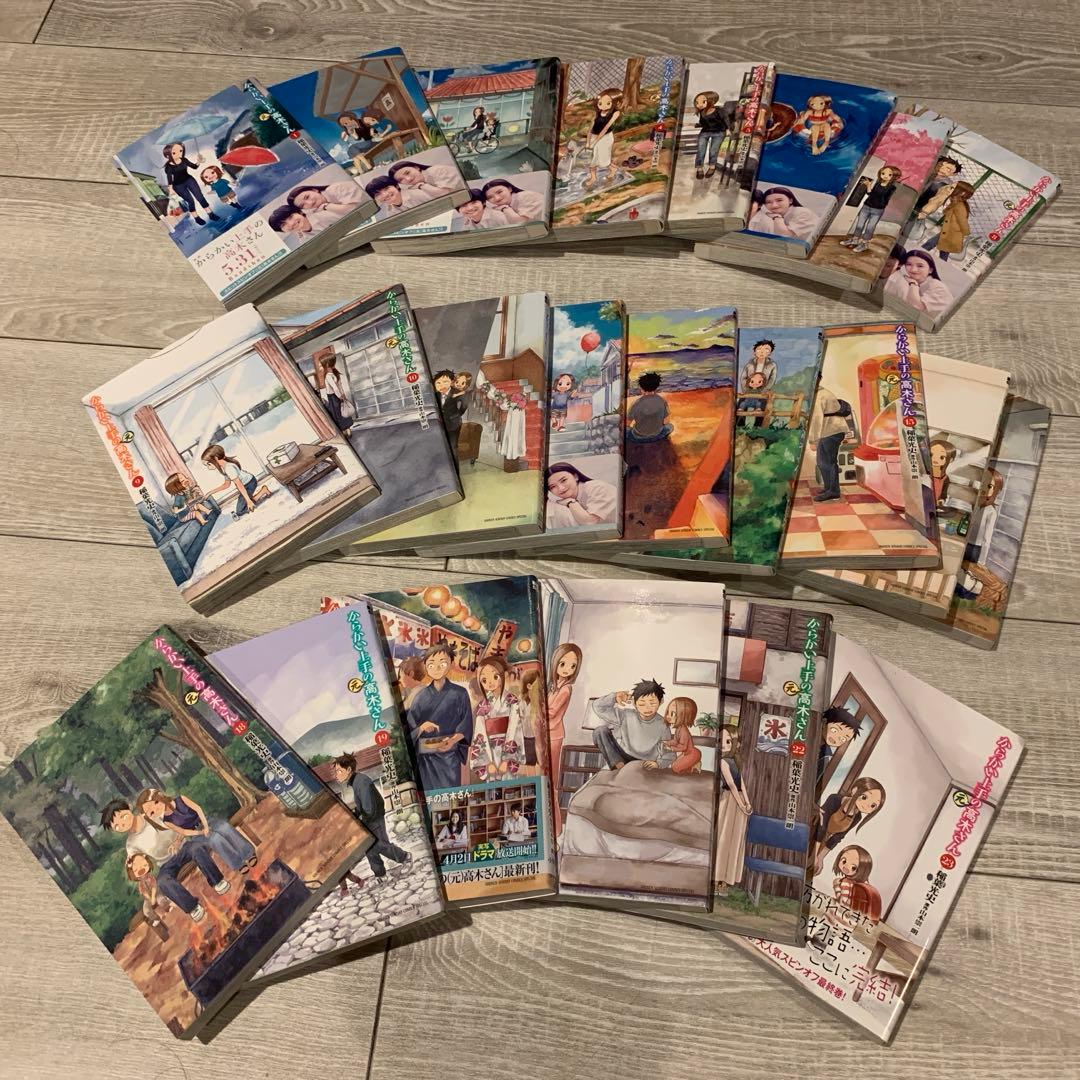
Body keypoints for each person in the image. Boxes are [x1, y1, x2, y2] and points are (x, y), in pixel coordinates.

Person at [102, 798, 229, 924]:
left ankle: (217, 881)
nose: (122, 824)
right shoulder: (131, 844)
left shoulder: (150, 812)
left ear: (129, 808)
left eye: (123, 816)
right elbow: (134, 864)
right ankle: (193, 907)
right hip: (165, 863)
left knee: (196, 849)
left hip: (183, 847)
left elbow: (180, 823)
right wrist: (135, 869)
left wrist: (178, 840)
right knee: (162, 881)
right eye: (117, 826)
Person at [136, 787, 256, 873]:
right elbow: (184, 832)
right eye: (151, 812)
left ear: (160, 796)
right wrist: (200, 832)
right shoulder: (167, 821)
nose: (156, 809)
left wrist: (206, 826)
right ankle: (237, 863)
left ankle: (247, 853)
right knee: (215, 839)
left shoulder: (181, 799)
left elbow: (198, 809)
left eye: (156, 803)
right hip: (195, 834)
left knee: (224, 827)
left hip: (207, 821)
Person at [330, 755, 412, 879]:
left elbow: (369, 808)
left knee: (380, 845)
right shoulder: (356, 782)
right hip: (369, 819)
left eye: (339, 771)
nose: (336, 775)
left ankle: (405, 857)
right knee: (369, 848)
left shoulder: (361, 781)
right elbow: (361, 806)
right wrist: (355, 815)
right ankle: (380, 874)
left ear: (349, 770)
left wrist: (361, 820)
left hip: (374, 819)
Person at [407, 643, 474, 790]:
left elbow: (466, 723)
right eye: (431, 664)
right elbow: (410, 729)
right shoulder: (420, 697)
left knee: (450, 793)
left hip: (449, 756)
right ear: (425, 667)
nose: (437, 668)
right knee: (429, 795)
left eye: (442, 663)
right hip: (426, 760)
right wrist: (422, 727)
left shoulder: (460, 693)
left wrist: (452, 741)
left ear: (451, 663)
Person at [813, 776, 886, 875]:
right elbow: (821, 825)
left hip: (823, 841)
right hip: (813, 834)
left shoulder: (857, 817)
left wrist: (821, 858)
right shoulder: (834, 799)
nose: (867, 805)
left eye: (873, 805)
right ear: (854, 790)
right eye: (864, 797)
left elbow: (838, 837)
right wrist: (815, 854)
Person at [469, 655, 525, 782]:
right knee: (492, 783)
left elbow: (514, 728)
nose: (490, 682)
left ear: (504, 675)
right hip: (489, 751)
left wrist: (507, 759)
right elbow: (479, 733)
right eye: (484, 680)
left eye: (495, 677)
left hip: (506, 746)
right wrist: (487, 763)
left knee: (509, 784)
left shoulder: (512, 701)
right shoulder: (483, 706)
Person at [590, 678, 668, 769]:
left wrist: (659, 764)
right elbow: (598, 707)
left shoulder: (663, 724)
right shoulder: (626, 715)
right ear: (634, 703)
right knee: (600, 731)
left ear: (661, 701)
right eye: (642, 704)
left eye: (652, 703)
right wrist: (614, 697)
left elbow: (669, 751)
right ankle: (618, 767)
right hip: (623, 756)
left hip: (645, 762)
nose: (647, 708)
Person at [546, 642, 582, 823]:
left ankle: (556, 826)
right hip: (547, 734)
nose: (567, 669)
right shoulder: (554, 685)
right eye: (563, 664)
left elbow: (551, 712)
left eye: (572, 666)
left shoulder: (566, 689)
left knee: (551, 782)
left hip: (554, 735)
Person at [714, 724, 752, 891]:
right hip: (729, 800)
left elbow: (741, 783)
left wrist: (747, 802)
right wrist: (742, 804)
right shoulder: (722, 761)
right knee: (723, 838)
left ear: (736, 743)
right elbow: (730, 784)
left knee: (734, 840)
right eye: (721, 740)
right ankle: (717, 877)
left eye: (728, 741)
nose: (724, 745)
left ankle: (726, 879)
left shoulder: (736, 761)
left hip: (738, 801)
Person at [956, 467, 1003, 600]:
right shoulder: (976, 505)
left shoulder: (991, 511)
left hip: (975, 548)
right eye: (983, 483)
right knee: (959, 568)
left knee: (969, 572)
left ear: (995, 490)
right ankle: (957, 590)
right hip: (965, 542)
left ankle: (966, 594)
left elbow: (987, 538)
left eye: (990, 486)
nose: (985, 488)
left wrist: (982, 560)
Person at [842, 165, 903, 252]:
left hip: (877, 210)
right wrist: (869, 185)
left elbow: (884, 198)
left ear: (894, 177)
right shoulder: (877, 184)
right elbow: (870, 194)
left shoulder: (892, 188)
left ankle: (864, 244)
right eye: (883, 173)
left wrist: (886, 187)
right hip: (866, 206)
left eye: (890, 174)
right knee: (859, 225)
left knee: (870, 228)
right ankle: (855, 240)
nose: (885, 176)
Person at [200, 444, 271, 518]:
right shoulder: (224, 468)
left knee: (240, 511)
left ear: (216, 458)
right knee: (242, 507)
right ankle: (256, 495)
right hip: (245, 485)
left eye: (208, 464)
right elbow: (226, 485)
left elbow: (239, 484)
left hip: (250, 483)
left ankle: (263, 491)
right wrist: (210, 493)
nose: (208, 467)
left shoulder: (229, 468)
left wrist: (248, 501)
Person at [806, 386, 850, 502]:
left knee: (828, 462)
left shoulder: (818, 395)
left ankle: (833, 491)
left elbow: (816, 419)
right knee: (822, 462)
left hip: (831, 431)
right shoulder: (822, 392)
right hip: (829, 431)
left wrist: (813, 441)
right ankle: (828, 488)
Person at [162, 142, 219, 228]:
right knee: (190, 201)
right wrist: (171, 189)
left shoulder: (184, 160)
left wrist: (199, 161)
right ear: (167, 155)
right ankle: (196, 218)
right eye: (174, 152)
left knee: (200, 197)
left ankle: (210, 213)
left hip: (189, 180)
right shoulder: (168, 167)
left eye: (180, 151)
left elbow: (194, 167)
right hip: (178, 186)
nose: (179, 153)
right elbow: (170, 179)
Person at [883, 249, 954, 318]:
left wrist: (913, 284)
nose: (913, 270)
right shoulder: (910, 282)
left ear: (930, 270)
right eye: (909, 264)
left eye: (920, 266)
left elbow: (915, 307)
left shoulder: (937, 286)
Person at [545, 462, 618, 529]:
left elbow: (590, 523)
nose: (561, 488)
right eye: (553, 486)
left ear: (575, 476)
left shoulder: (597, 488)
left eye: (563, 480)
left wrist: (570, 502)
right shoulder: (562, 504)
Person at [908, 156, 962, 244]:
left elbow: (937, 201)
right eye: (941, 165)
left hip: (919, 208)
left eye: (948, 169)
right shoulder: (925, 172)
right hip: (906, 200)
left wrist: (925, 212)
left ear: (953, 174)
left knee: (912, 234)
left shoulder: (946, 185)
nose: (942, 169)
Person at [287, 181, 369, 231]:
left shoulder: (334, 189)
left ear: (314, 190)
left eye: (307, 197)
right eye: (303, 205)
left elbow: (352, 209)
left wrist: (326, 206)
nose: (310, 203)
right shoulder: (318, 210)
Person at [748, 187, 820, 242]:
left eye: (779, 200)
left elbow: (783, 236)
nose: (774, 205)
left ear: (790, 200)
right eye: (768, 202)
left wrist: (777, 217)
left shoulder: (802, 213)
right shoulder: (781, 216)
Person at [924, 180, 974, 261]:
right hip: (949, 230)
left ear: (962, 193)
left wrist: (966, 233)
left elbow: (963, 221)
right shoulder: (954, 201)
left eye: (955, 188)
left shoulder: (960, 205)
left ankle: (917, 254)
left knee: (931, 243)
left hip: (952, 231)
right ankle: (941, 265)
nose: (952, 188)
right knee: (944, 251)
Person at [585, 89, 622, 190]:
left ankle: (613, 169)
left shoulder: (615, 113)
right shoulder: (598, 113)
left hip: (605, 138)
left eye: (608, 103)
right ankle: (593, 177)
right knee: (593, 159)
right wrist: (588, 141)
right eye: (600, 103)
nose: (603, 106)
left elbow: (606, 128)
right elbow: (591, 128)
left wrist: (595, 141)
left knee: (603, 159)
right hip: (595, 137)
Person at [832, 845, 880, 920]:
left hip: (842, 914)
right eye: (844, 861)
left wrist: (836, 886)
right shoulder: (857, 884)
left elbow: (843, 900)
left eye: (853, 867)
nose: (846, 867)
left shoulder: (846, 882)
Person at [656, 696, 701, 774]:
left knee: (675, 768)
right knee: (674, 765)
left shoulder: (683, 731)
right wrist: (667, 742)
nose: (668, 716)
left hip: (693, 754)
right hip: (687, 753)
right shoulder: (679, 728)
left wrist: (671, 748)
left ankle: (695, 764)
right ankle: (693, 766)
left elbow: (683, 747)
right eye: (668, 712)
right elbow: (676, 741)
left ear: (684, 715)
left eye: (673, 714)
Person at [316, 353, 356, 437]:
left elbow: (335, 389)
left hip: (333, 398)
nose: (320, 367)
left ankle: (344, 432)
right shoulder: (336, 373)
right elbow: (340, 387)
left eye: (321, 365)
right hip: (339, 396)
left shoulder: (328, 376)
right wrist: (343, 397)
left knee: (337, 416)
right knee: (344, 412)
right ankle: (348, 431)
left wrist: (339, 397)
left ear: (327, 364)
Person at [692, 90, 730, 179]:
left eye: (703, 102)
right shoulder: (702, 112)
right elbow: (703, 123)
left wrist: (728, 129)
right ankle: (699, 168)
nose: (699, 105)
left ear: (711, 101)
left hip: (719, 132)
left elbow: (726, 119)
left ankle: (712, 167)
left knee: (713, 150)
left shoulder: (719, 110)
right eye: (697, 102)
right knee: (701, 150)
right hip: (705, 131)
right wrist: (695, 125)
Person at [626, 371, 673, 443]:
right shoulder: (662, 401)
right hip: (657, 435)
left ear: (642, 388)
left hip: (638, 437)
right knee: (670, 426)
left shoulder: (636, 403)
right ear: (656, 387)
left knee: (626, 430)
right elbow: (666, 421)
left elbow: (627, 423)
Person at [818, 706, 860, 784]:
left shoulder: (826, 757)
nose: (836, 738)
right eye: (835, 730)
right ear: (824, 722)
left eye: (843, 739)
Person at [126, 851, 167, 930]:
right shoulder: (140, 884)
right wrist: (150, 898)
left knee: (161, 900)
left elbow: (154, 887)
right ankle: (156, 918)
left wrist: (153, 897)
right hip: (148, 898)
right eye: (136, 869)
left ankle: (167, 907)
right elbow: (144, 892)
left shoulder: (150, 877)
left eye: (144, 865)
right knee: (146, 910)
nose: (141, 870)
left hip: (156, 892)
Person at [389, 160, 460, 202]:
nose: (408, 179)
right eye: (401, 179)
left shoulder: (436, 171)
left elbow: (444, 193)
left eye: (407, 173)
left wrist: (421, 185)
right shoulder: (417, 185)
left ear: (416, 167)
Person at [434, 369, 468, 452]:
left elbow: (464, 405)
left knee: (453, 446)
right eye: (438, 383)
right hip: (439, 424)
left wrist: (457, 415)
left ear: (452, 382)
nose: (441, 385)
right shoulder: (436, 394)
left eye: (445, 382)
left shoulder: (457, 392)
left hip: (453, 423)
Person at [518, 668, 544, 772]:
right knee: (530, 765)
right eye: (538, 684)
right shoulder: (522, 702)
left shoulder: (540, 701)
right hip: (527, 738)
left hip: (538, 738)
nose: (540, 686)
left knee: (540, 764)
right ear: (529, 686)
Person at [929, 437, 958, 507]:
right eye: (931, 455)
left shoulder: (945, 479)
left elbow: (943, 494)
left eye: (941, 457)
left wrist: (941, 501)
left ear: (950, 460)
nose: (935, 459)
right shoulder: (924, 474)